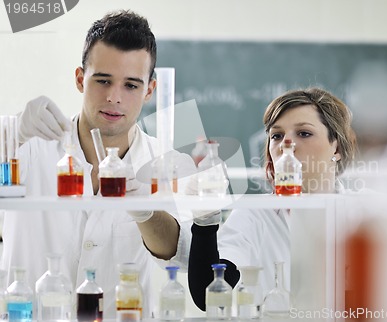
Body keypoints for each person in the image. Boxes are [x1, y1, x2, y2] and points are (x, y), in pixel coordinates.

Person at [1, 10, 194, 318]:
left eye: (131, 85)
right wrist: (11, 135)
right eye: (103, 80)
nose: (114, 97)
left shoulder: (164, 163)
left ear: (149, 91)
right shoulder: (28, 147)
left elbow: (181, 255)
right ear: (80, 79)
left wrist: (146, 211)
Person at [188, 87, 357, 310]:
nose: (286, 144)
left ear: (336, 147)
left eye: (304, 133)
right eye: (276, 136)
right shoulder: (255, 214)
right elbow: (208, 295)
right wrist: (204, 220)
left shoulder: (366, 211)